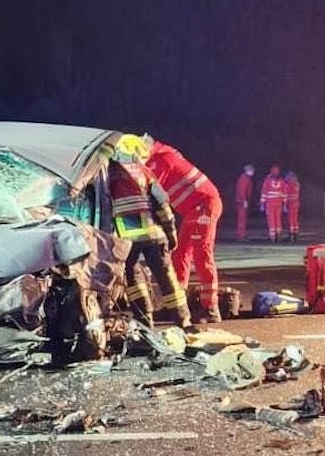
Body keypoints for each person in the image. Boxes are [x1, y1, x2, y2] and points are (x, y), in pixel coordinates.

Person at [109, 136, 192, 329]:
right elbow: (162, 204)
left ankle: (145, 323)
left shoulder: (108, 175)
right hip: (154, 234)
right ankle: (183, 320)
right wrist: (171, 234)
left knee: (133, 279)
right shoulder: (145, 172)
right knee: (166, 276)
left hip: (126, 239)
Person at [142, 133, 224, 323]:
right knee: (180, 254)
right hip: (193, 209)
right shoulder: (162, 156)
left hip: (204, 205)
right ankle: (178, 305)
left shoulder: (161, 160)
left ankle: (210, 308)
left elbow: (151, 192)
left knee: (202, 254)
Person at [259, 164, 286, 243]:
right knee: (278, 218)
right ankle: (279, 235)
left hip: (270, 202)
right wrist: (284, 203)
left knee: (271, 219)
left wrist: (262, 203)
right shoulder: (281, 180)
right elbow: (284, 192)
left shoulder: (267, 180)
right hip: (279, 202)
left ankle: (273, 237)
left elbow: (264, 192)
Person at [235, 164, 255, 241]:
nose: (253, 172)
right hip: (242, 202)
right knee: (242, 219)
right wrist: (244, 201)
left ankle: (242, 235)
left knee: (243, 219)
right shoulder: (244, 179)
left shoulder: (245, 178)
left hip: (241, 201)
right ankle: (241, 236)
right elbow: (242, 191)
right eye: (252, 171)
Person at [283, 169, 301, 242]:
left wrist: (285, 204)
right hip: (296, 202)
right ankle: (296, 234)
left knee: (291, 219)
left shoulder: (289, 184)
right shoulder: (297, 184)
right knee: (295, 219)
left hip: (291, 202)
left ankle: (291, 235)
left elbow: (286, 194)